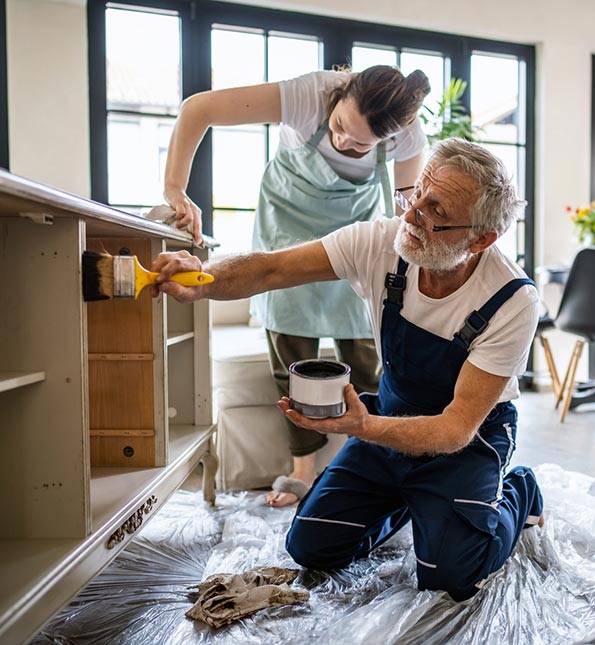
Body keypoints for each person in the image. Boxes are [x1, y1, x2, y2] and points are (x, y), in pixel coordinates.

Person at [151, 138, 544, 601]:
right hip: (390, 417)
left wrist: (363, 426)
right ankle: (409, 501)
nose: (412, 213)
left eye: (434, 210)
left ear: (480, 238)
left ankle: (521, 490)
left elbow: (456, 429)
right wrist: (203, 279)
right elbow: (271, 270)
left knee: (452, 577)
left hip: (468, 440)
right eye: (415, 193)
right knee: (311, 547)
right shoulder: (382, 243)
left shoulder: (512, 300)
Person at [163, 65, 431, 507]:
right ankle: (302, 467)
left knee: (367, 360)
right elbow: (199, 109)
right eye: (341, 126)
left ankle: (367, 466)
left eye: (362, 144)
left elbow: (406, 213)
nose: (345, 142)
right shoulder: (309, 95)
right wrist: (176, 189)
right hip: (287, 225)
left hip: (353, 235)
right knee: (293, 355)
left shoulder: (408, 136)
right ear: (340, 96)